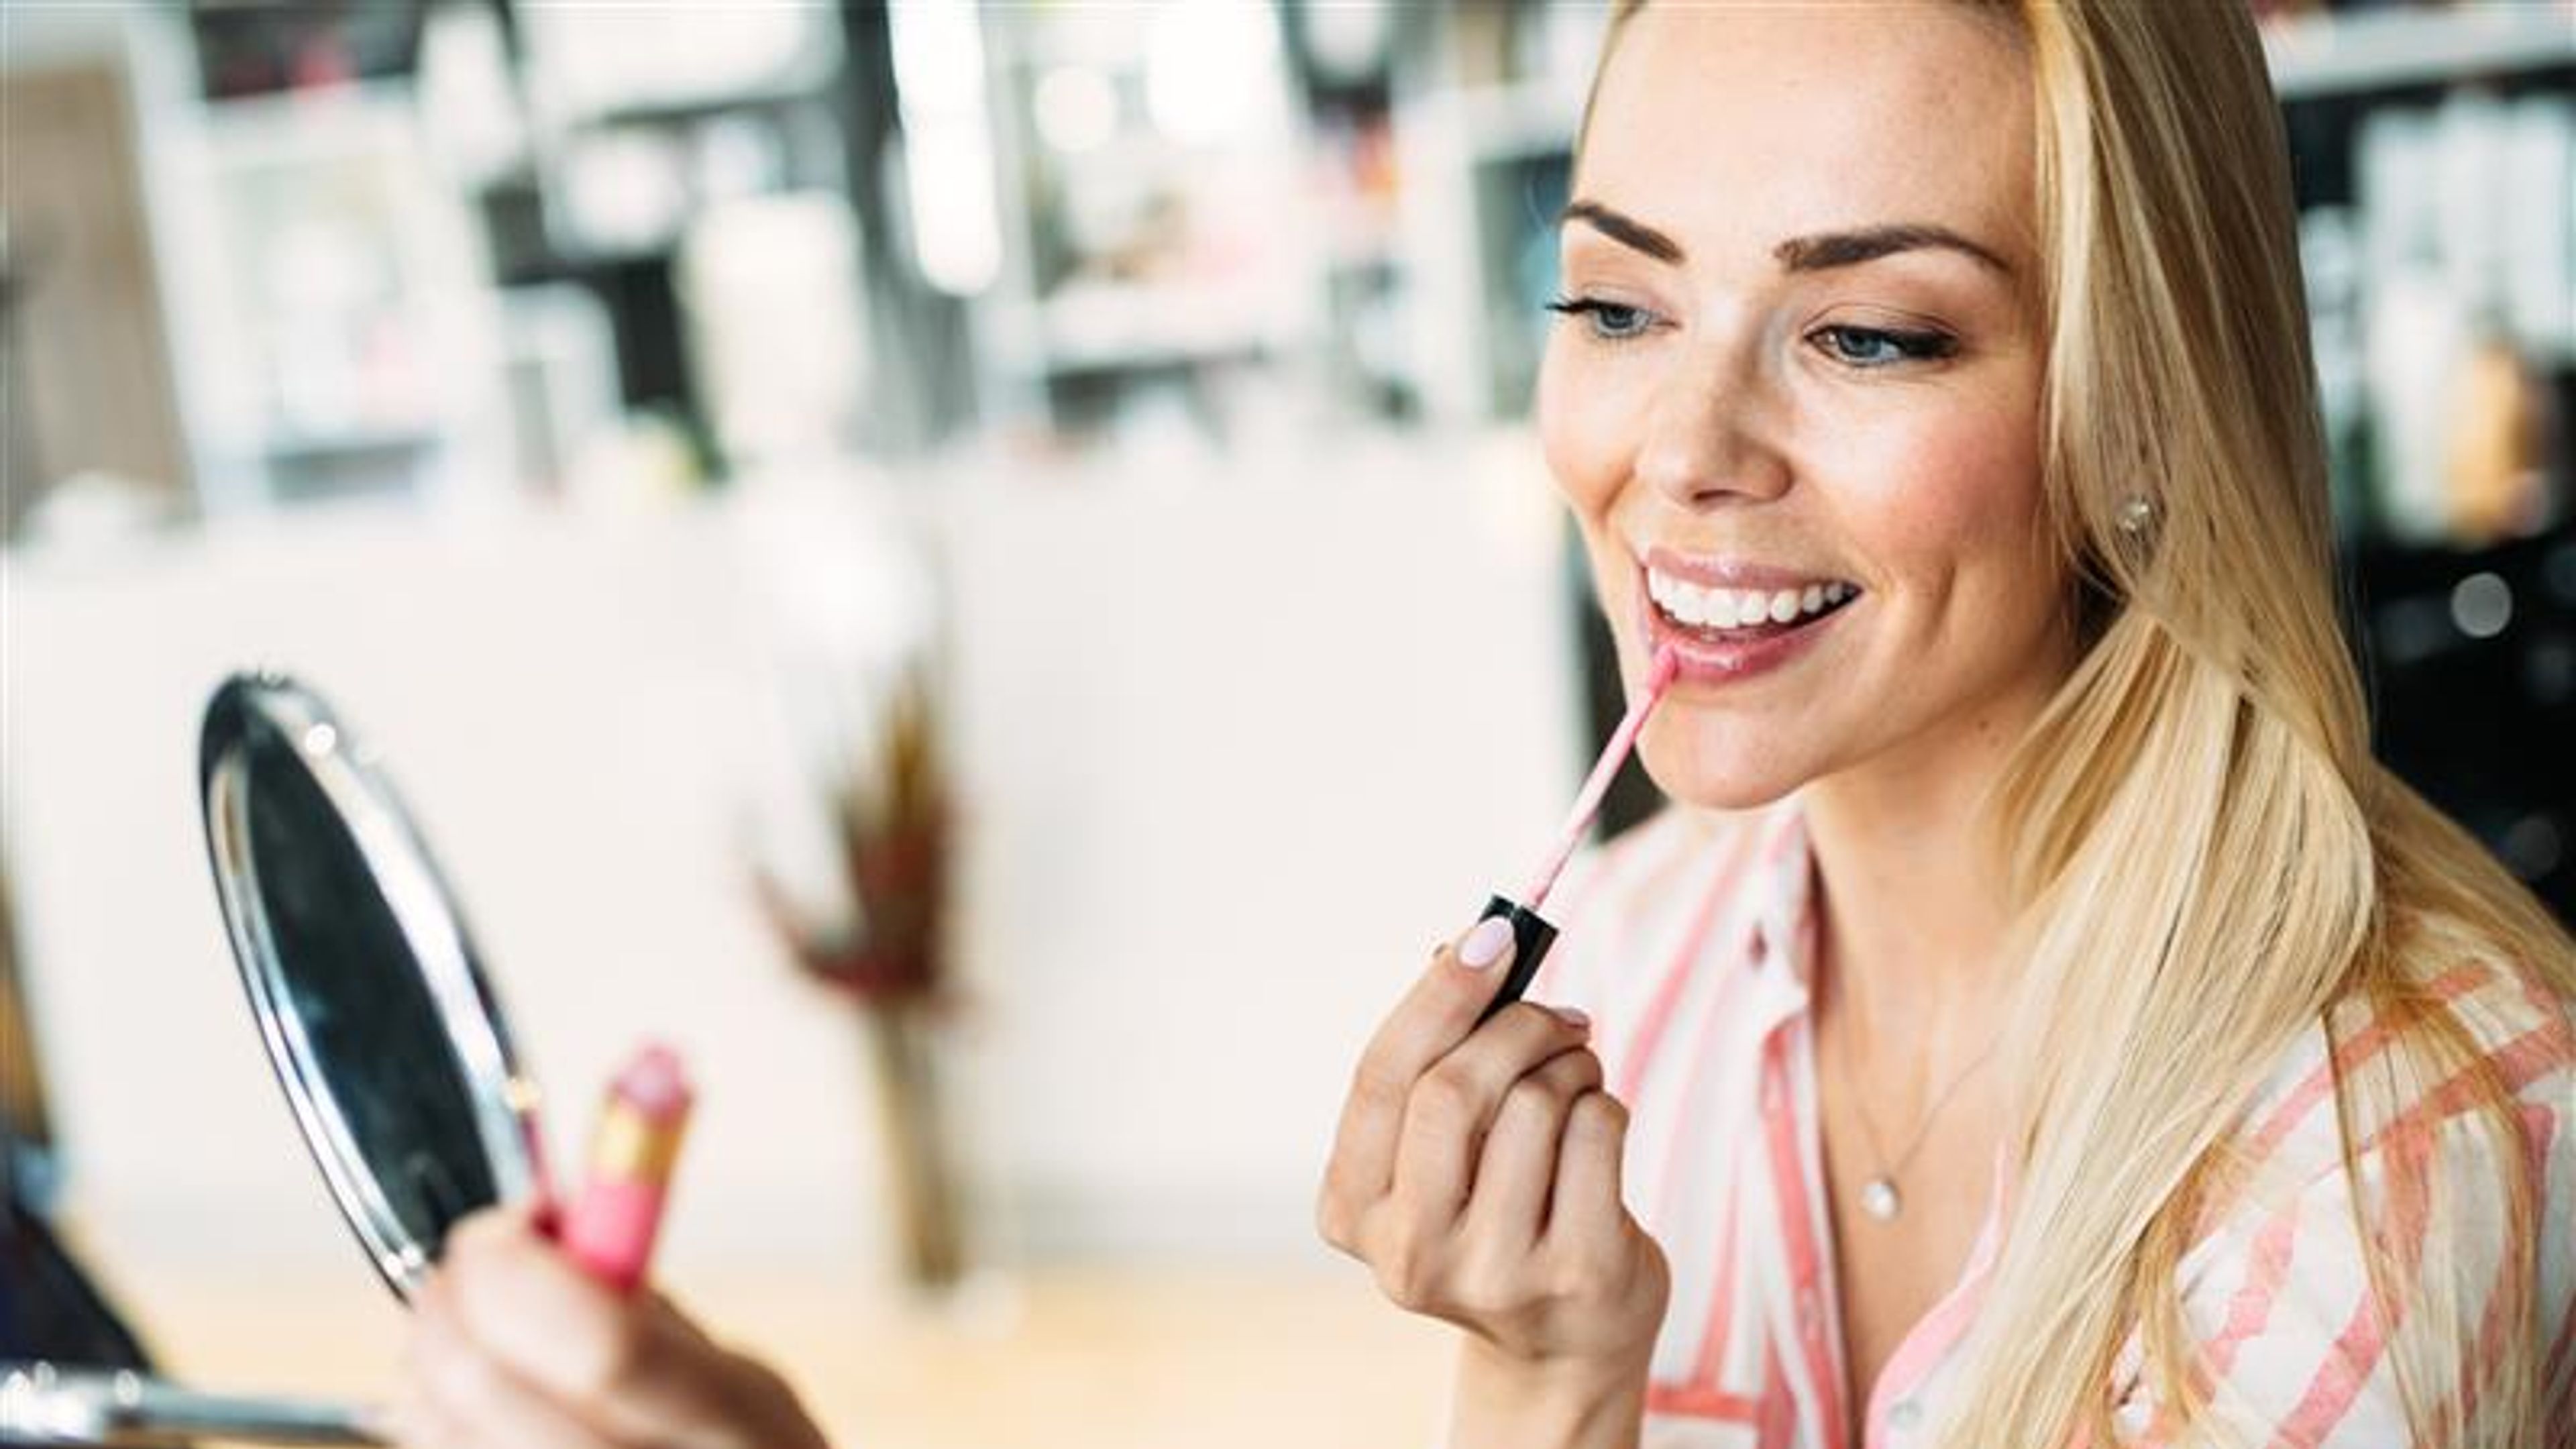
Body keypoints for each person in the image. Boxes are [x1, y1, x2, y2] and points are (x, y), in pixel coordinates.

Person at [394, 3, 2575, 1446]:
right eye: (1618, 302)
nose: (1677, 445)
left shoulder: (2391, 1145)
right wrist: (1544, 1375)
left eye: (1872, 334)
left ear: (2141, 408)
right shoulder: (1646, 965)